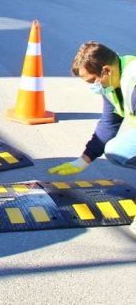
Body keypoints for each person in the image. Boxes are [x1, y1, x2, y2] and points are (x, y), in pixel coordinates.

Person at [48, 41, 136, 234]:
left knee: (121, 149)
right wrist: (83, 160)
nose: (92, 87)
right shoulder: (113, 83)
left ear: (105, 70)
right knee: (118, 150)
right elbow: (109, 123)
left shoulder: (134, 81)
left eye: (91, 81)